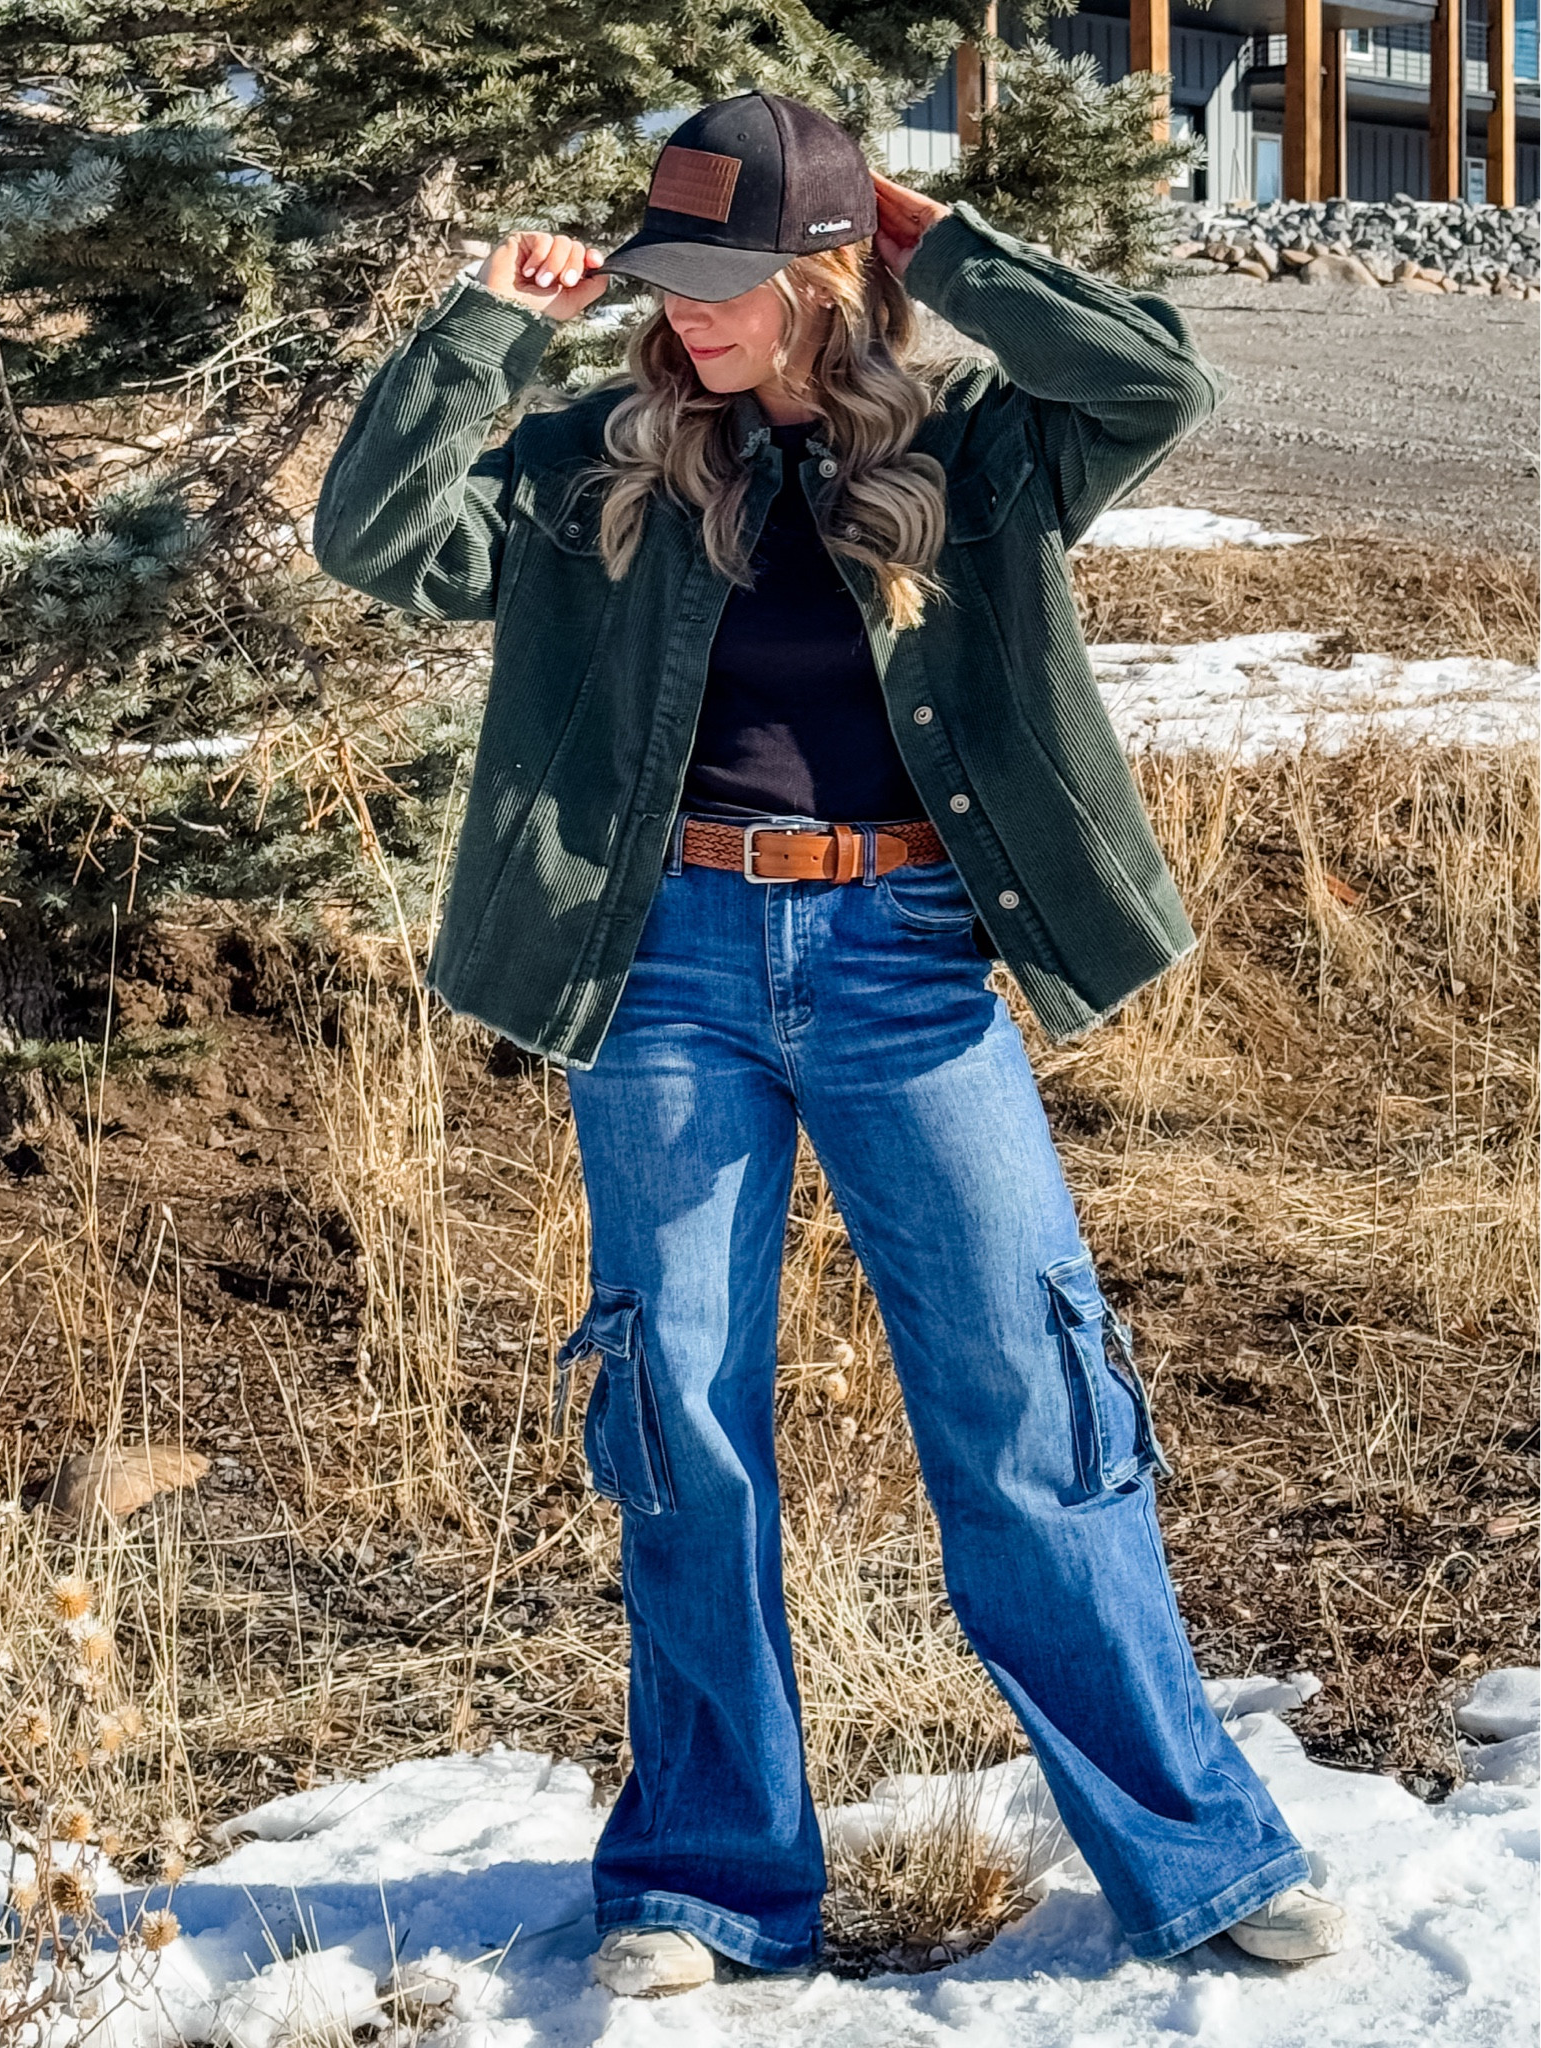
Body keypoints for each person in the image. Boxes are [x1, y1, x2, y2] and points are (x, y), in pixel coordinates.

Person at [314, 92, 1348, 1998]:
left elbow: (1154, 380)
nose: (684, 314)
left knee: (1026, 1411)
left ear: (821, 273)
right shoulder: (599, 454)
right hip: (667, 967)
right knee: (679, 1419)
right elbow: (376, 540)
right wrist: (477, 325)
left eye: (725, 280)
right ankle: (704, 1879)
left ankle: (1197, 1856)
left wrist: (927, 230)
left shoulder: (981, 444)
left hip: (905, 960)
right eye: (666, 278)